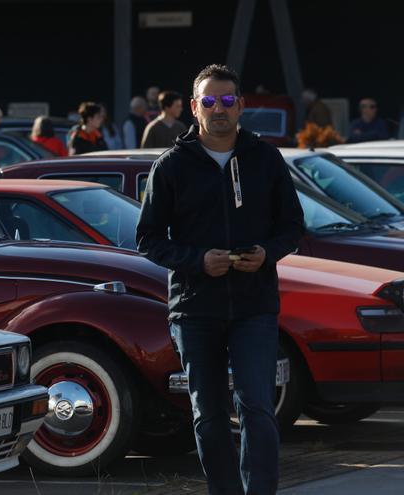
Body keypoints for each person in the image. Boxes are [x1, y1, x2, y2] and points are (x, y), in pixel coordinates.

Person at [136, 64, 305, 495]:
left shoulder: (265, 158)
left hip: (254, 304)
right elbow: (148, 238)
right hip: (196, 307)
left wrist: (267, 253)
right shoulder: (171, 166)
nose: (219, 109)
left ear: (242, 106)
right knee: (208, 414)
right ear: (194, 108)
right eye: (209, 101)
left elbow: (293, 226)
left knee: (257, 408)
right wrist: (196, 261)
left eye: (228, 100)